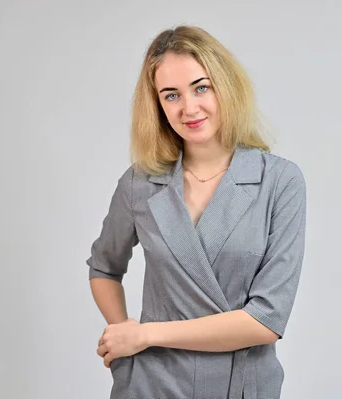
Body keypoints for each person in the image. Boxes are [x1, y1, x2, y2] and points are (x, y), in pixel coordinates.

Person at [87, 25, 307, 399]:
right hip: (151, 383)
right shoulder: (140, 183)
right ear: (157, 105)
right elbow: (103, 267)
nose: (189, 108)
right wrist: (122, 331)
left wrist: (145, 334)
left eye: (201, 87)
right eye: (171, 95)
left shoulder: (280, 182)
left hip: (239, 385)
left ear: (225, 86)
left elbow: (266, 319)